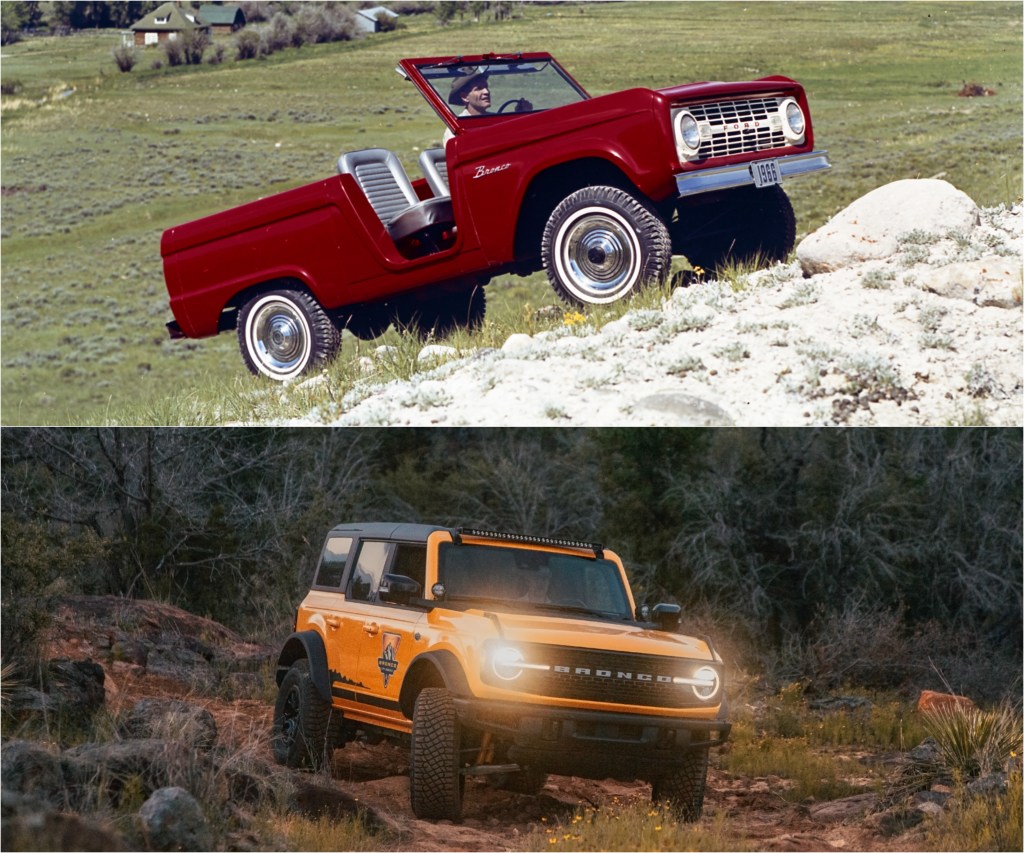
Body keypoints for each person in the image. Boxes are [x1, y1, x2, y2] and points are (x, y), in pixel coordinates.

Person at [442, 68, 532, 144]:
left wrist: (523, 115)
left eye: (486, 87)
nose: (486, 92)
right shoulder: (456, 128)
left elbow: (514, 140)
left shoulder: (495, 120)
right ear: (465, 97)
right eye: (479, 89)